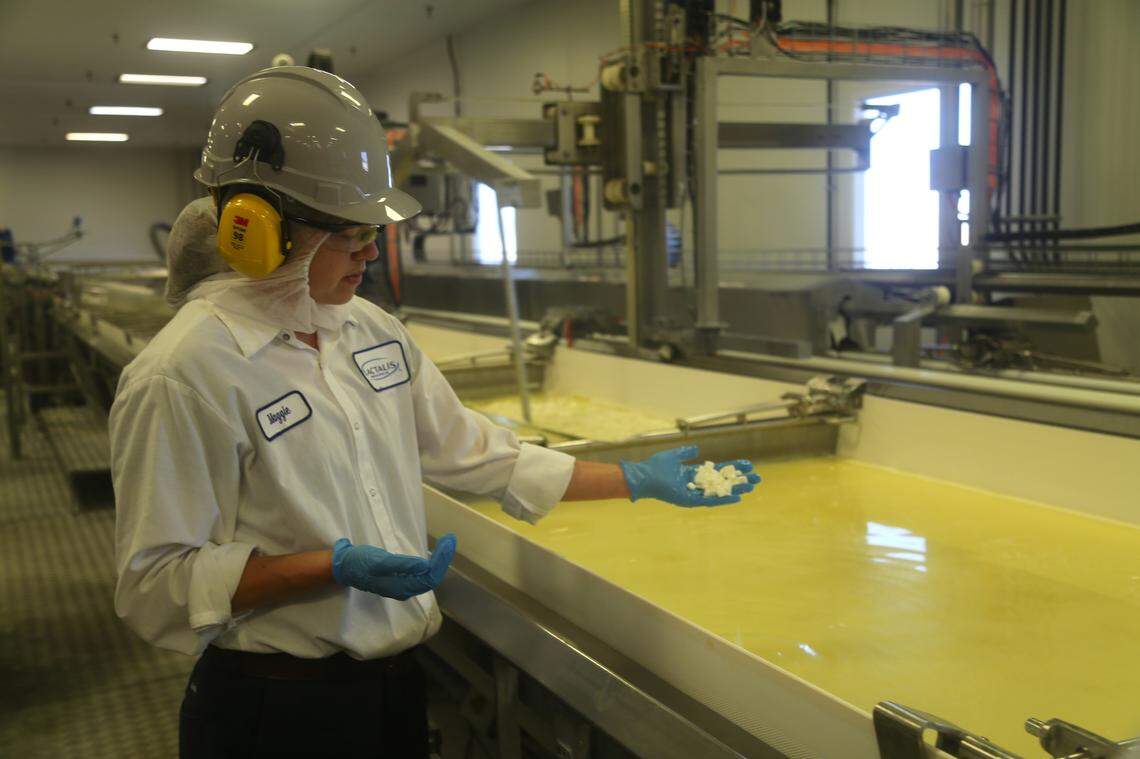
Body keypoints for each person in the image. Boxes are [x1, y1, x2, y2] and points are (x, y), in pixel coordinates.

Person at [109, 66, 759, 758]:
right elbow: (154, 587)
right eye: (348, 233)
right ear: (255, 227)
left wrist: (632, 479)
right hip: (275, 709)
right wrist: (329, 565)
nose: (371, 250)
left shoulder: (373, 334)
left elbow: (478, 452)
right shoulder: (184, 374)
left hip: (392, 692)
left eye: (372, 230)